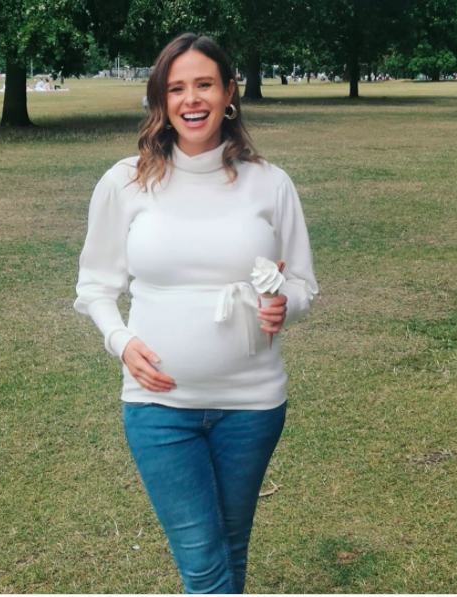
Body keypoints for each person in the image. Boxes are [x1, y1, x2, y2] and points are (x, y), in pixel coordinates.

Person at [74, 32, 318, 594]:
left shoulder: (270, 183)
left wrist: (286, 303)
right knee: (205, 568)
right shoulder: (126, 182)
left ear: (229, 92)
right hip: (159, 407)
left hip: (253, 406)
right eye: (176, 87)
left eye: (204, 84)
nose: (191, 99)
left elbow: (304, 284)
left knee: (231, 549)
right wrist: (121, 341)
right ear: (160, 100)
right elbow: (96, 285)